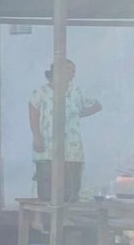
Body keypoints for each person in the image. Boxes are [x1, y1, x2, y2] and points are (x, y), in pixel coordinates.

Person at [28, 60, 101, 202]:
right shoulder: (42, 92)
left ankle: (67, 211)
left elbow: (97, 105)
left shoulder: (76, 91)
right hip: (47, 142)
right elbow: (33, 111)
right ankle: (46, 213)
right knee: (46, 181)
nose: (72, 73)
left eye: (73, 70)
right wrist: (36, 136)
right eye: (68, 69)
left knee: (70, 183)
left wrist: (78, 114)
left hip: (71, 144)